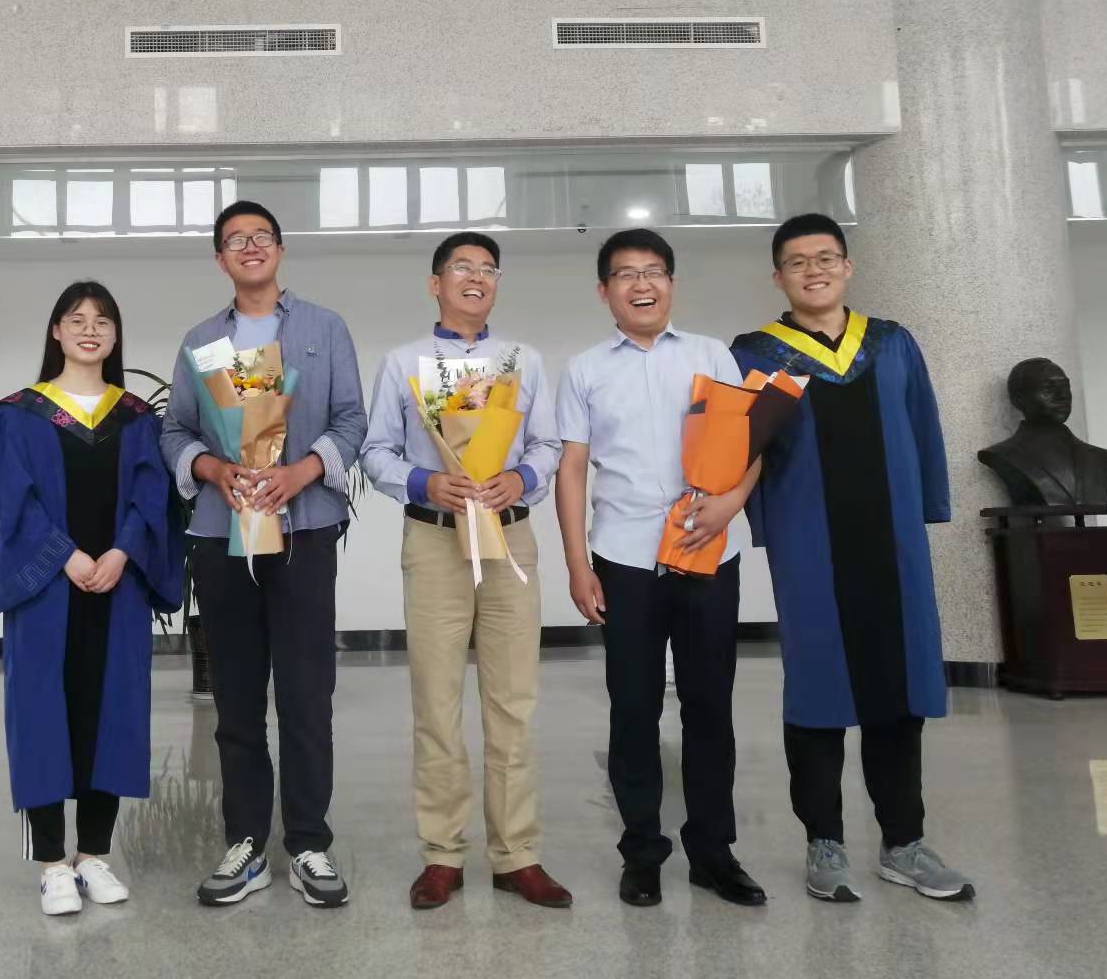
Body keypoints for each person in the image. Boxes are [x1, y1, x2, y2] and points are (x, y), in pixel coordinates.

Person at [731, 213, 974, 904]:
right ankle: (824, 841)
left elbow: (923, 426)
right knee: (817, 686)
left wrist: (929, 505)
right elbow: (738, 449)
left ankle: (904, 842)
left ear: (847, 266)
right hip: (809, 542)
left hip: (893, 541)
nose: (813, 270)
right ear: (777, 276)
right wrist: (755, 523)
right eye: (797, 261)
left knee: (900, 686)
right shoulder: (755, 354)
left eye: (825, 257)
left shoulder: (892, 343)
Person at [160, 201, 368, 908]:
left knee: (308, 693)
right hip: (223, 535)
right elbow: (175, 431)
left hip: (304, 530)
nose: (249, 247)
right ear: (220, 258)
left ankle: (308, 842)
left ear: (280, 248)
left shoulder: (324, 328)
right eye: (235, 240)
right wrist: (214, 469)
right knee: (237, 697)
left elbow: (352, 420)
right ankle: (245, 842)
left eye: (261, 236)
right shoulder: (200, 341)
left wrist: (301, 471)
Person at [554, 229, 766, 910]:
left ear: (671, 283)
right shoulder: (585, 369)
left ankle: (714, 853)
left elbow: (751, 442)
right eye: (626, 274)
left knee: (709, 707)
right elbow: (572, 469)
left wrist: (731, 504)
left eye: (653, 272)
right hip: (624, 558)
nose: (641, 284)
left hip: (710, 553)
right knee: (634, 707)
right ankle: (642, 853)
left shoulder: (712, 354)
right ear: (604, 291)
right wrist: (577, 564)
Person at [360, 232, 570, 910]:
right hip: (435, 540)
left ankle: (517, 854)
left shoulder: (523, 360)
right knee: (436, 702)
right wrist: (425, 482)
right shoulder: (404, 362)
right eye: (462, 267)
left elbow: (548, 443)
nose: (476, 277)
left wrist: (522, 476)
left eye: (488, 269)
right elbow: (375, 450)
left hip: (511, 539)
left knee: (513, 701)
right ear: (436, 283)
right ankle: (442, 854)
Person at [0, 281, 184, 917]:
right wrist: (65, 555)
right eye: (77, 319)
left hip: (117, 588)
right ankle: (51, 866)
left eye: (103, 321)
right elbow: (5, 505)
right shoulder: (16, 415)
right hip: (47, 592)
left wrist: (121, 553)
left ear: (115, 336)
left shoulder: (137, 418)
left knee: (111, 714)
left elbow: (153, 501)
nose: (90, 330)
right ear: (56, 332)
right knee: (41, 715)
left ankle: (93, 857)